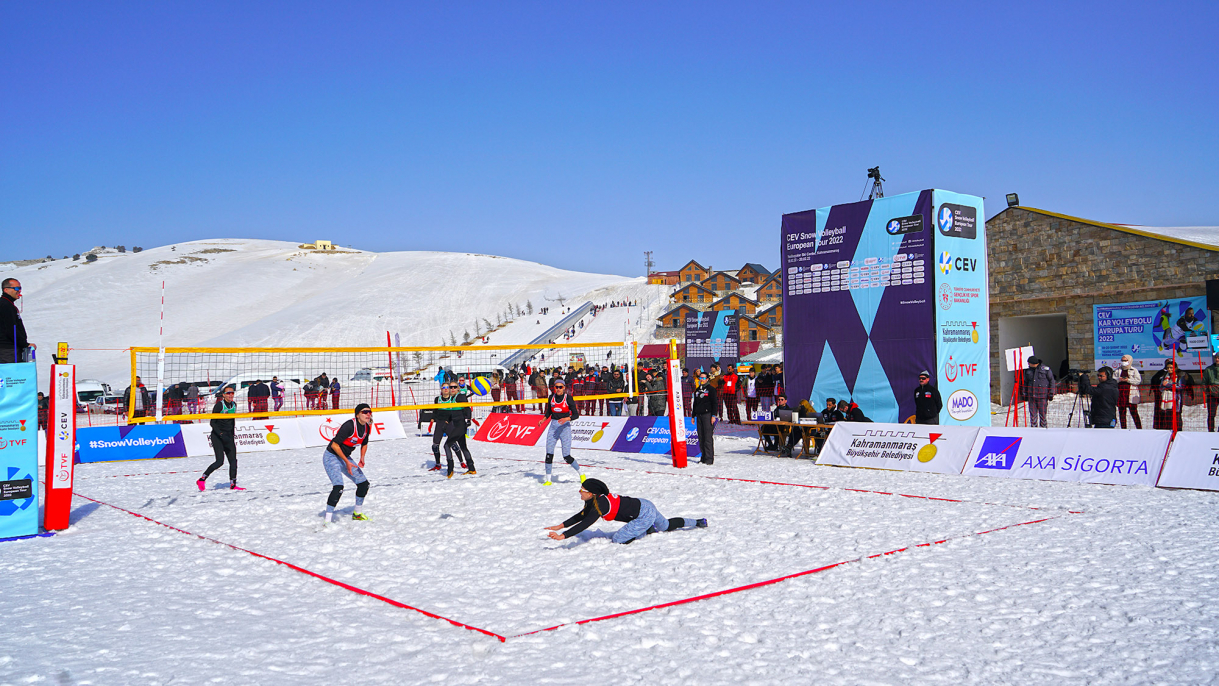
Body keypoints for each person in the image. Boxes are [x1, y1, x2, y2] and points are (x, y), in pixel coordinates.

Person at [544, 478, 707, 545]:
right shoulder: (594, 500)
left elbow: (585, 523)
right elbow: (581, 516)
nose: (579, 492)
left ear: (591, 493)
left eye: (582, 489)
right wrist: (560, 526)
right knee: (665, 526)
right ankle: (697, 521)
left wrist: (563, 536)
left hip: (644, 513)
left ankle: (648, 529)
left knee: (618, 539)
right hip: (645, 503)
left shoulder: (599, 505)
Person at [321, 404, 375, 523]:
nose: (368, 414)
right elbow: (335, 445)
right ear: (357, 415)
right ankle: (327, 521)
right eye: (365, 412)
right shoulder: (349, 426)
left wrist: (362, 458)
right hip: (332, 456)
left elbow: (364, 443)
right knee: (338, 487)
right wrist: (347, 462)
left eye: (369, 412)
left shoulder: (367, 427)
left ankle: (357, 513)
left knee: (363, 484)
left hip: (345, 457)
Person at [536, 378, 585, 486]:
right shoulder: (551, 397)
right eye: (556, 387)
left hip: (565, 428)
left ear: (564, 388)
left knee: (566, 456)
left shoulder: (568, 398)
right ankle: (548, 480)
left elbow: (576, 415)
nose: (558, 389)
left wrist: (566, 419)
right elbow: (548, 411)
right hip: (553, 427)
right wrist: (543, 420)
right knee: (549, 454)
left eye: (560, 387)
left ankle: (581, 474)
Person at [197, 386, 242, 491]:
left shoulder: (234, 405)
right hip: (217, 436)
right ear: (224, 395)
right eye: (228, 393)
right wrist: (221, 434)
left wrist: (231, 435)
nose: (231, 395)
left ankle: (233, 484)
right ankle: (202, 479)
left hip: (228, 436)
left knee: (233, 461)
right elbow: (212, 422)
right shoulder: (219, 405)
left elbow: (232, 421)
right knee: (219, 461)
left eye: (232, 393)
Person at [1151, 359, 1193, 431]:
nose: (1169, 369)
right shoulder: (1165, 376)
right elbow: (1160, 387)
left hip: (1176, 399)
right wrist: (1165, 386)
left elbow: (1180, 387)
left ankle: (1178, 431)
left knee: (1177, 417)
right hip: (1166, 399)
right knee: (1167, 417)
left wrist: (1168, 385)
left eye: (1171, 367)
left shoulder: (1180, 376)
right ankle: (1168, 431)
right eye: (1168, 368)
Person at [0, 278, 34, 363]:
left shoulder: (7, 304)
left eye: (20, 288)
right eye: (16, 288)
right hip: (7, 350)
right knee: (10, 375)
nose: (19, 291)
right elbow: (11, 329)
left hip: (7, 349)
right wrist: (25, 344)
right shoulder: (5, 305)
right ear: (6, 290)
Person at [691, 370, 717, 465]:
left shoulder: (711, 389)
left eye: (703, 378)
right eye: (700, 378)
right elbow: (695, 404)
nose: (701, 379)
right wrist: (693, 415)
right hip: (699, 415)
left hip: (708, 415)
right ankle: (703, 457)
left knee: (707, 437)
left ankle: (709, 458)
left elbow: (715, 403)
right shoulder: (697, 390)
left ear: (707, 379)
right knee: (701, 437)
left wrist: (713, 415)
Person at [1023, 357, 1055, 428]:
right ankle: (1034, 430)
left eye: (1029, 363)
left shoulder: (1045, 369)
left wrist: (1051, 393)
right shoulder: (1028, 371)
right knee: (1033, 416)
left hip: (1042, 396)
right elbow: (1026, 382)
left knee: (1043, 415)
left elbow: (1052, 381)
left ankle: (1043, 429)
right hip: (1032, 396)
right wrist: (1024, 392)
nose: (1028, 364)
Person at [1116, 355, 1142, 429]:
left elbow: (1138, 381)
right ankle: (1123, 428)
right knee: (1122, 413)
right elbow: (1113, 379)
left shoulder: (1134, 370)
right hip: (1121, 394)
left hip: (1130, 393)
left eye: (1125, 361)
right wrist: (1119, 379)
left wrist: (1128, 380)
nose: (1123, 362)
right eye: (1122, 360)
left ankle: (1139, 428)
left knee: (1134, 412)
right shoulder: (1118, 370)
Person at [1203, 352, 1219, 432]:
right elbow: (1204, 382)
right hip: (1212, 395)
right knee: (1211, 414)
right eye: (1216, 358)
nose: (1217, 359)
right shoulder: (1209, 369)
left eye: (1218, 358)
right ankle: (1211, 431)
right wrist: (1207, 390)